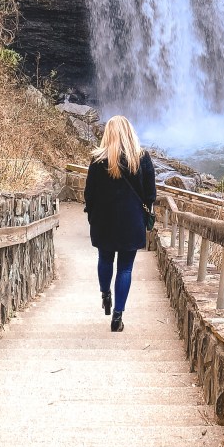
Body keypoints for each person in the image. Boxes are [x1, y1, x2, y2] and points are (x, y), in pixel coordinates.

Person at [84, 115, 156, 332]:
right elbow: (150, 195)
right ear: (130, 132)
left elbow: (89, 194)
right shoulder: (142, 158)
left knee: (104, 259)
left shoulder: (98, 160)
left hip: (104, 221)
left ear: (108, 134)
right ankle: (117, 316)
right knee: (125, 268)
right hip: (131, 221)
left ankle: (105, 293)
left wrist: (92, 216)